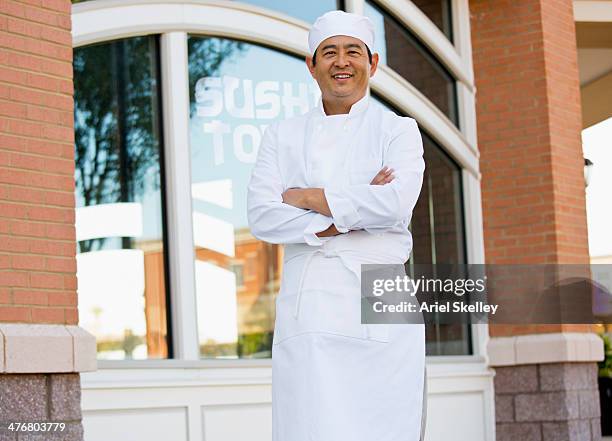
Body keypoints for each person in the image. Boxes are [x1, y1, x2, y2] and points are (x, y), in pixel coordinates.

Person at [247, 10, 426, 441]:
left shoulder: (399, 130)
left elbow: (396, 203)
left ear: (373, 63)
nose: (341, 62)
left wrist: (308, 197)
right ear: (312, 65)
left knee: (390, 424)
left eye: (352, 52)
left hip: (383, 292)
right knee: (312, 424)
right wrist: (351, 211)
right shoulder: (282, 134)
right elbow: (262, 216)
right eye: (329, 52)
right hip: (312, 296)